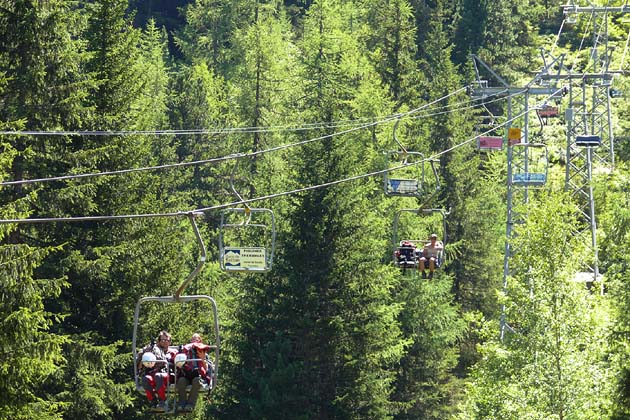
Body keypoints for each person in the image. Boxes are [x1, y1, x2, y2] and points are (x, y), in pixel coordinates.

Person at [176, 333, 215, 413]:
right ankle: (181, 403)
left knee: (197, 381)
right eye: (193, 339)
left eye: (196, 339)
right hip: (187, 374)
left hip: (198, 375)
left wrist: (202, 359)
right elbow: (179, 364)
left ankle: (190, 405)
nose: (194, 341)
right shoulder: (185, 352)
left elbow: (207, 368)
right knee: (181, 381)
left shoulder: (203, 353)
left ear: (200, 341)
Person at [138, 330, 176, 412]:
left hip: (168, 375)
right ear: (159, 341)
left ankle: (162, 401)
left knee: (158, 376)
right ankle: (153, 402)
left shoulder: (173, 352)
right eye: (163, 340)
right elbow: (140, 362)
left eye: (167, 340)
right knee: (146, 379)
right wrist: (146, 351)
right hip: (154, 375)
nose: (165, 342)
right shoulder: (153, 350)